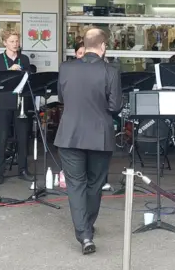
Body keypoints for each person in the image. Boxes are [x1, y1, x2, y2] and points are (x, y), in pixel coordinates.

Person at [54, 28, 122, 255]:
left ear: (85, 44)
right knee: (94, 185)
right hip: (99, 137)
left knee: (75, 185)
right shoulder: (110, 71)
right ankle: (87, 229)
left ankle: (84, 233)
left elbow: (62, 98)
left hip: (70, 135)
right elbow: (115, 107)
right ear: (103, 47)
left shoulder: (66, 68)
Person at [0, 29, 32, 184]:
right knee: (2, 137)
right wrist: (8, 71)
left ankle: (23, 169)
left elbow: (28, 79)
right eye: (12, 41)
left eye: (17, 41)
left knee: (22, 137)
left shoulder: (24, 59)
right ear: (5, 42)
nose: (15, 44)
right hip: (4, 101)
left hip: (21, 101)